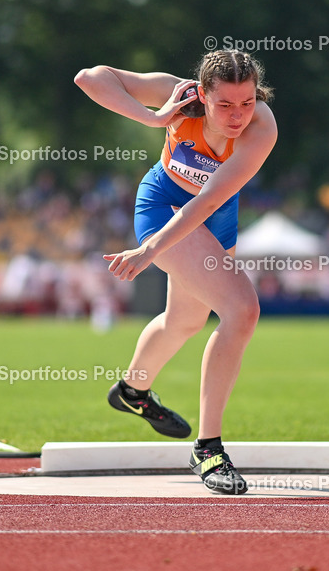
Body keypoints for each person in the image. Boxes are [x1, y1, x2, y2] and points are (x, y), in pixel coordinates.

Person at [74, 50, 277, 495]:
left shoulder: (262, 127)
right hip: (163, 206)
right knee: (241, 310)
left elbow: (208, 201)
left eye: (247, 103)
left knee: (184, 321)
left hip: (212, 215)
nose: (238, 116)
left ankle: (132, 391)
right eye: (225, 105)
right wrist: (154, 117)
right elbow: (90, 77)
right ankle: (208, 448)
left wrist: (151, 251)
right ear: (202, 95)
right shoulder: (177, 95)